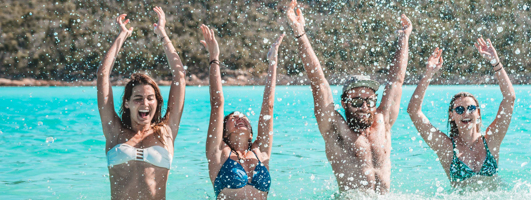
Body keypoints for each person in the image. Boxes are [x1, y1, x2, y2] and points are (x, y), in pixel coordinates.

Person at [284, 0, 411, 193]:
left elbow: (396, 82)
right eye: (357, 101)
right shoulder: (335, 128)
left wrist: (404, 39)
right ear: (344, 102)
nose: (364, 106)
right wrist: (300, 33)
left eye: (369, 101)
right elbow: (319, 82)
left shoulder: (383, 121)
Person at [96, 7, 186, 199]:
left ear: (156, 102)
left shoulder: (166, 131)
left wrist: (162, 33)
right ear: (127, 103)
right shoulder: (115, 132)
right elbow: (103, 75)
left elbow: (179, 75)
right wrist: (122, 36)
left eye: (150, 98)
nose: (145, 103)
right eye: (137, 98)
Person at [407, 40, 516, 189]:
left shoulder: (491, 141)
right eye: (459, 110)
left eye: (471, 108)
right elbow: (414, 111)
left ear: (478, 112)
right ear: (452, 116)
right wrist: (428, 74)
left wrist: (495, 62)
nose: (466, 113)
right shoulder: (446, 148)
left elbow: (510, 98)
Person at [199, 23, 284, 199]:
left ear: (251, 133)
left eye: (244, 117)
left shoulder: (261, 151)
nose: (240, 118)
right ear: (224, 131)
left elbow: (268, 107)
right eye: (233, 117)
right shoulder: (218, 152)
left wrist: (272, 62)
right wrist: (214, 58)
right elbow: (217, 104)